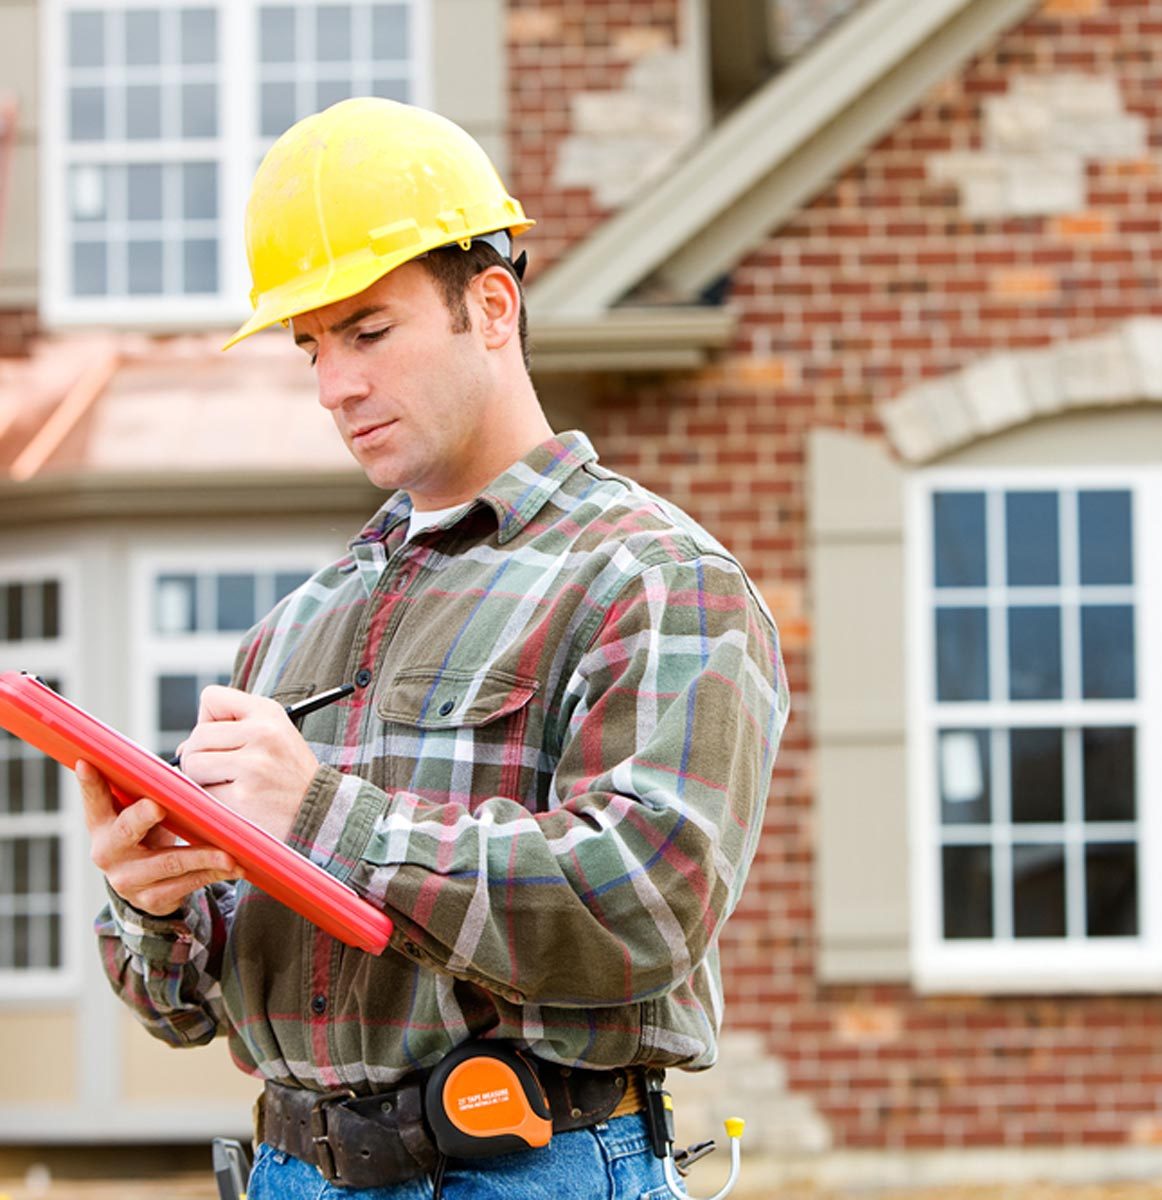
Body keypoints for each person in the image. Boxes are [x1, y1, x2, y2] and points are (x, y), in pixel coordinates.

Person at [79, 98, 789, 1200]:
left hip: (526, 1166)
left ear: (491, 307)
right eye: (310, 344)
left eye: (368, 331)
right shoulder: (294, 629)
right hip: (289, 1172)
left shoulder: (653, 578)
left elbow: (646, 900)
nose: (334, 385)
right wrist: (155, 904)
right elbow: (188, 1006)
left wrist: (322, 814)